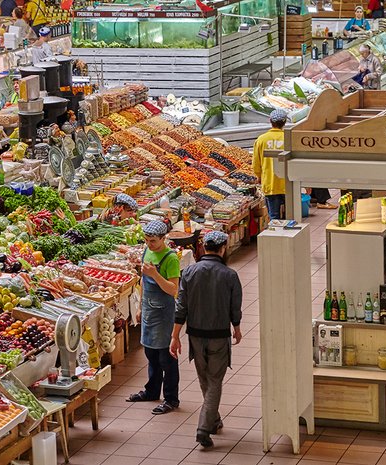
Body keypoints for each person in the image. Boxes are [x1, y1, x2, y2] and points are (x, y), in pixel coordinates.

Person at [170, 230, 242, 449]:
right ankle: (203, 428)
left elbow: (181, 306)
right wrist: (237, 328)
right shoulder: (230, 275)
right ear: (222, 249)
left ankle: (214, 419)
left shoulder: (189, 272)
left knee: (205, 379)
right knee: (215, 381)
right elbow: (235, 307)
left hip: (195, 335)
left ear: (203, 248)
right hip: (219, 335)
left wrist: (175, 336)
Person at [127, 220, 181, 416]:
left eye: (153, 241)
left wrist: (155, 274)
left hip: (164, 313)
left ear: (163, 238)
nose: (149, 244)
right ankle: (151, 391)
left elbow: (173, 289)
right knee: (151, 354)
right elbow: (143, 280)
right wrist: (140, 306)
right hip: (149, 311)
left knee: (167, 358)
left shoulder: (170, 258)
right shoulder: (146, 251)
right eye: (147, 240)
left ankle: (171, 398)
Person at [253, 110, 287, 220]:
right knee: (290, 216)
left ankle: (275, 230)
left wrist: (258, 176)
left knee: (274, 217)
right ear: (285, 122)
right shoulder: (289, 138)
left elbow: (256, 163)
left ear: (270, 121)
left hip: (270, 183)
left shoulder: (261, 139)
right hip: (288, 183)